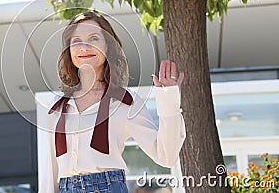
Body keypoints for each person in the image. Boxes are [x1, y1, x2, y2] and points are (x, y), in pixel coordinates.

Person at [37, 11, 186, 193]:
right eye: (76, 41)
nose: (84, 46)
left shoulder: (124, 103)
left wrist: (169, 102)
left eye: (93, 38)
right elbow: (50, 172)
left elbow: (166, 156)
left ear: (108, 46)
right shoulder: (57, 107)